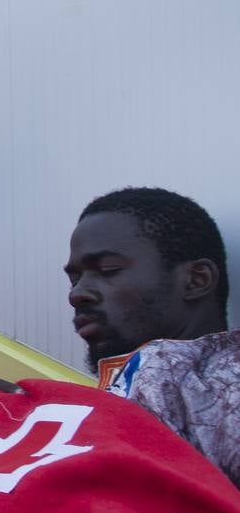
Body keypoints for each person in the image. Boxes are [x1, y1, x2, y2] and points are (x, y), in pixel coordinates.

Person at [64, 186, 236, 486]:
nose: (77, 293)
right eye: (75, 277)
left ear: (196, 280)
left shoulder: (226, 389)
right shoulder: (139, 377)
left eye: (108, 270)